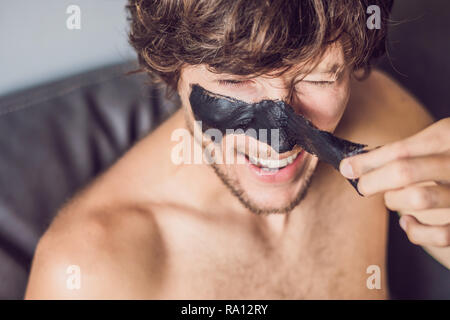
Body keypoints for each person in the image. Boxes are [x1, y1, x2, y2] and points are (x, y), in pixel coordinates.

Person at [25, 0, 449, 299]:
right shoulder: (88, 273)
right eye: (233, 81)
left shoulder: (382, 117)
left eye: (318, 79)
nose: (279, 138)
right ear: (171, 69)